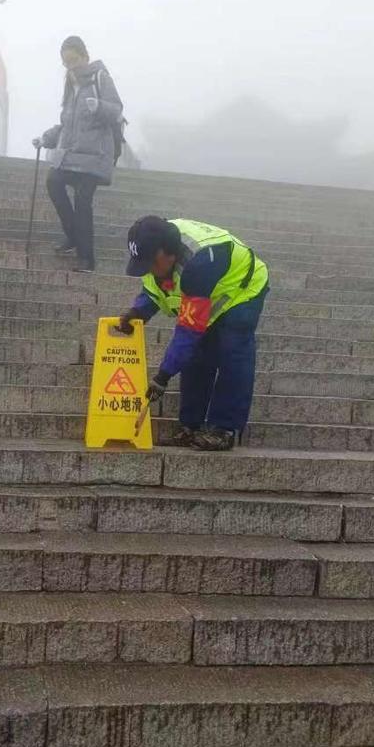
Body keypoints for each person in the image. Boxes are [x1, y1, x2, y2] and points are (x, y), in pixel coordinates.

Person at [118, 217, 269, 451]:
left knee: (232, 350)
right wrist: (138, 311)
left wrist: (163, 376)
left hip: (242, 289)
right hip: (210, 291)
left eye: (151, 262)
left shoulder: (197, 265)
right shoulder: (155, 247)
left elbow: (188, 331)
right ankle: (191, 425)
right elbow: (155, 288)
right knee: (197, 356)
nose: (148, 268)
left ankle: (223, 428)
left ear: (170, 254)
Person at [33, 36, 123, 273]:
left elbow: (117, 110)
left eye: (73, 60)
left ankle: (87, 258)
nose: (70, 66)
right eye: (65, 62)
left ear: (85, 56)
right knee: (53, 181)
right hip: (71, 154)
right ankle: (73, 235)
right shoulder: (70, 85)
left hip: (94, 156)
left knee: (83, 202)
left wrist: (99, 106)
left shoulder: (99, 77)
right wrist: (47, 138)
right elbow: (66, 123)